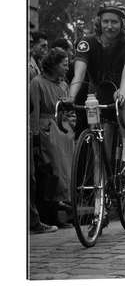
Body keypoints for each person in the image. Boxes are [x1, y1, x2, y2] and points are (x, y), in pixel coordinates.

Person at [67, 0, 125, 233]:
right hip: (98, 95)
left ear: (122, 24)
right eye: (106, 21)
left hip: (124, 91)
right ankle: (101, 208)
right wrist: (70, 97)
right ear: (99, 22)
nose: (110, 26)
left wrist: (123, 90)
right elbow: (78, 74)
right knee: (101, 155)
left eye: (114, 22)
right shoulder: (86, 43)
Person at [30, 48, 74, 228]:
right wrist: (35, 136)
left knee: (65, 173)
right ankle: (49, 216)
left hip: (64, 131)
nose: (67, 68)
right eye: (64, 64)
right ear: (54, 65)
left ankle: (60, 215)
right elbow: (34, 111)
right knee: (52, 173)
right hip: (46, 130)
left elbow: (68, 108)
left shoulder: (63, 85)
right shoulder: (37, 83)